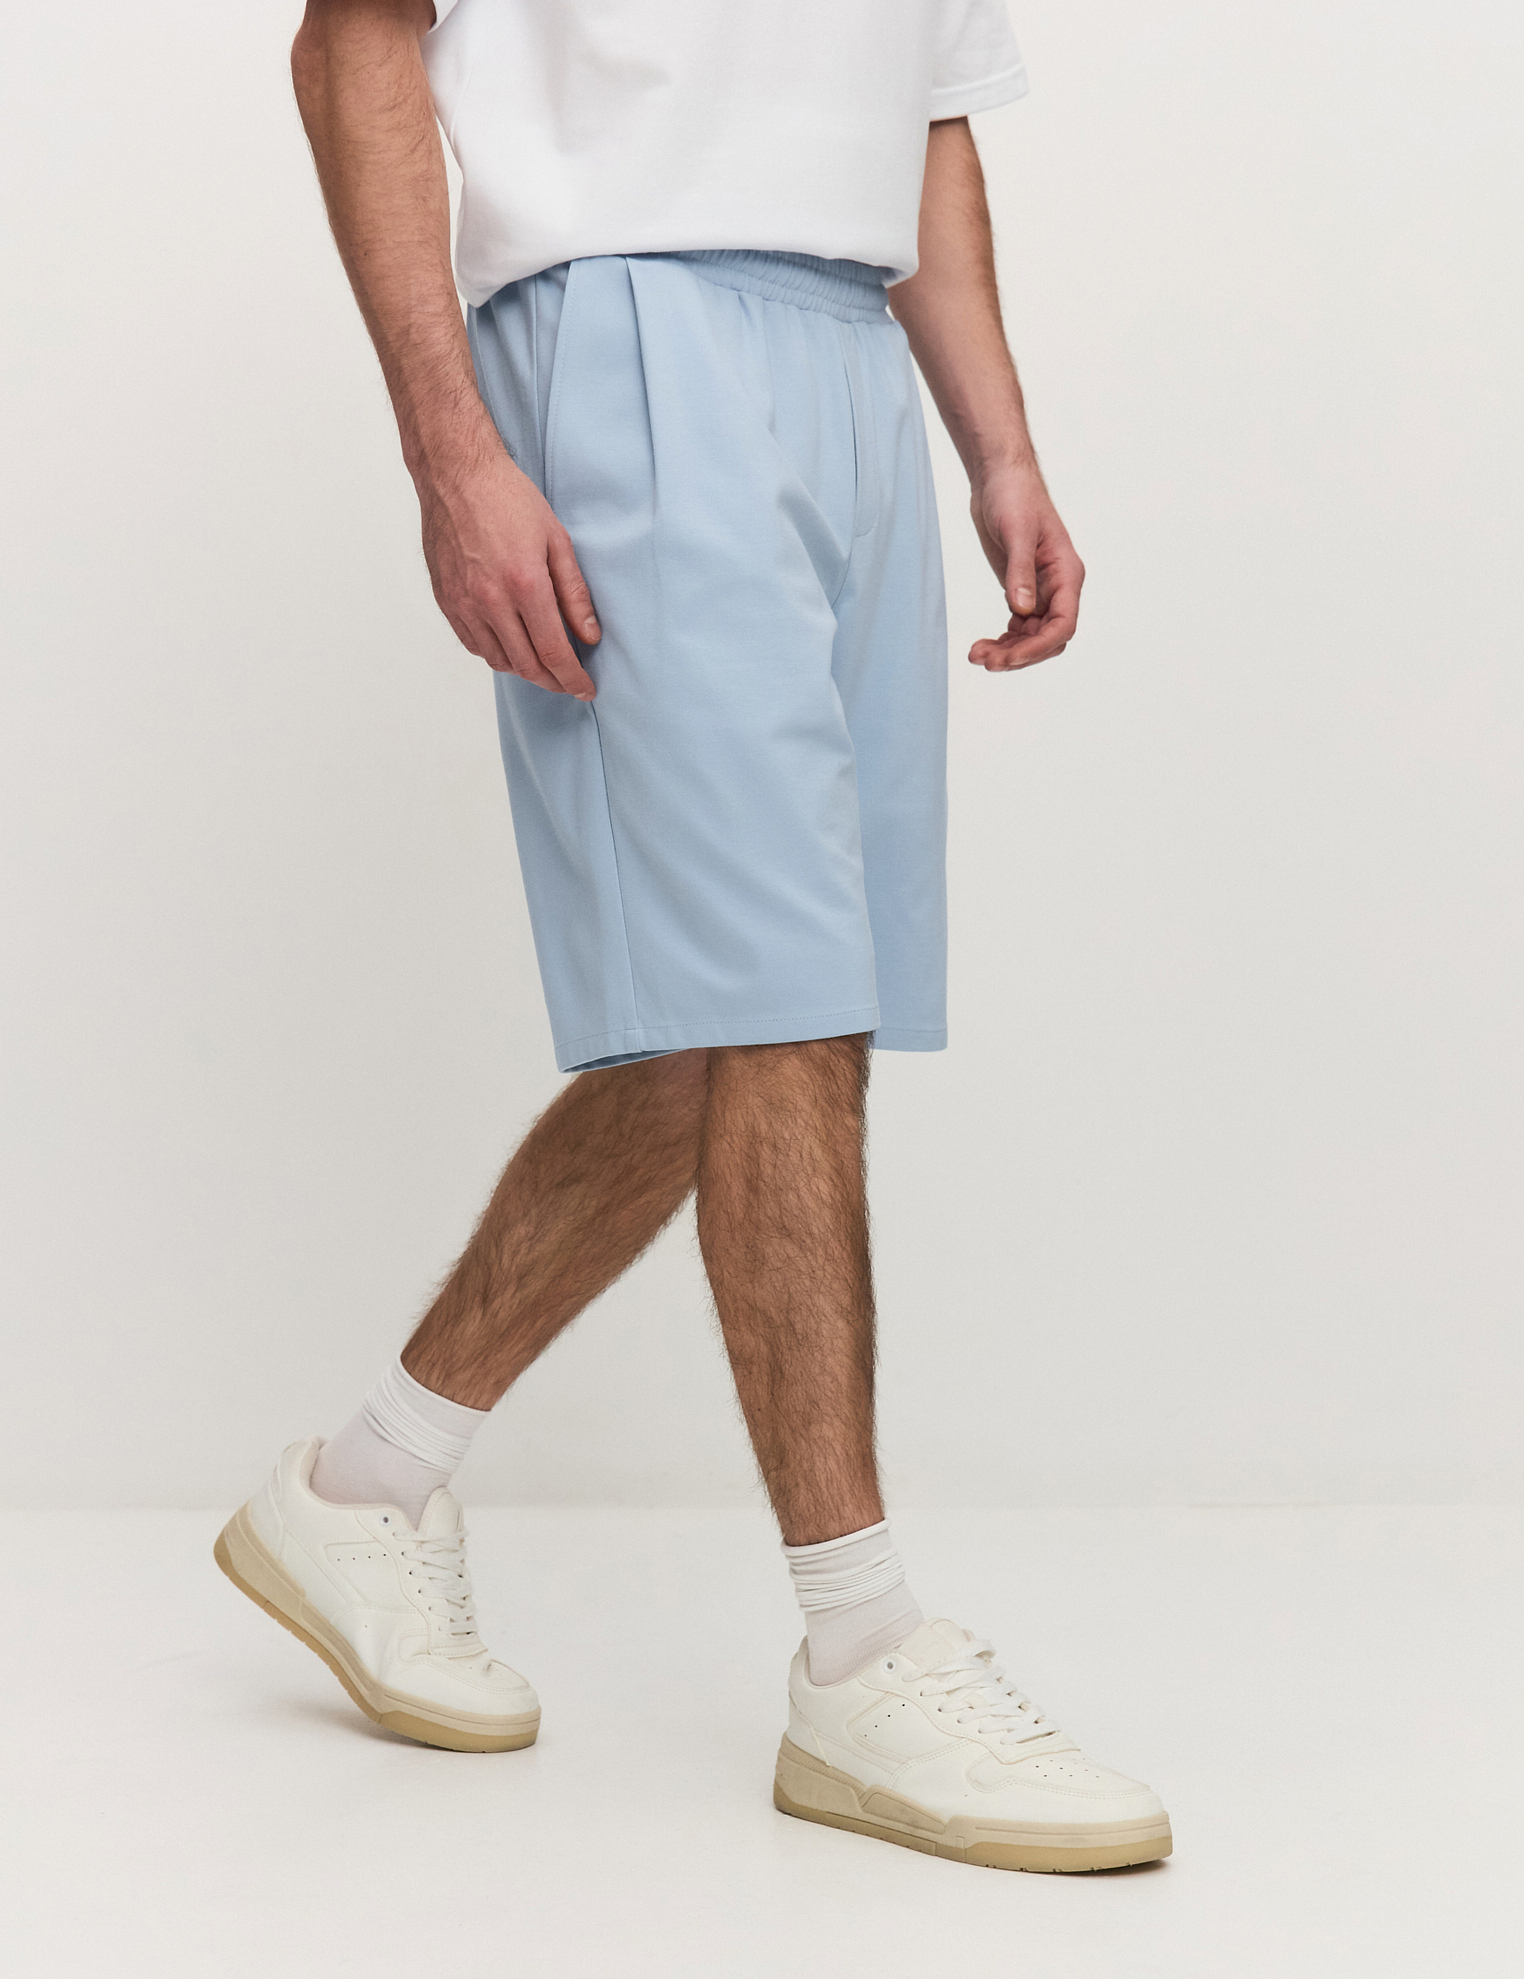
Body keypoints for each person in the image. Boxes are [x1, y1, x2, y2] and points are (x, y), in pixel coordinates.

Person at [216, 0, 1171, 1874]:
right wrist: (451, 450)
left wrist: (998, 446)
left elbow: (929, 114)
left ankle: (366, 1487)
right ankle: (862, 1649)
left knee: (756, 1021)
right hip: (622, 330)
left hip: (852, 354)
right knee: (781, 1009)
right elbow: (352, 42)